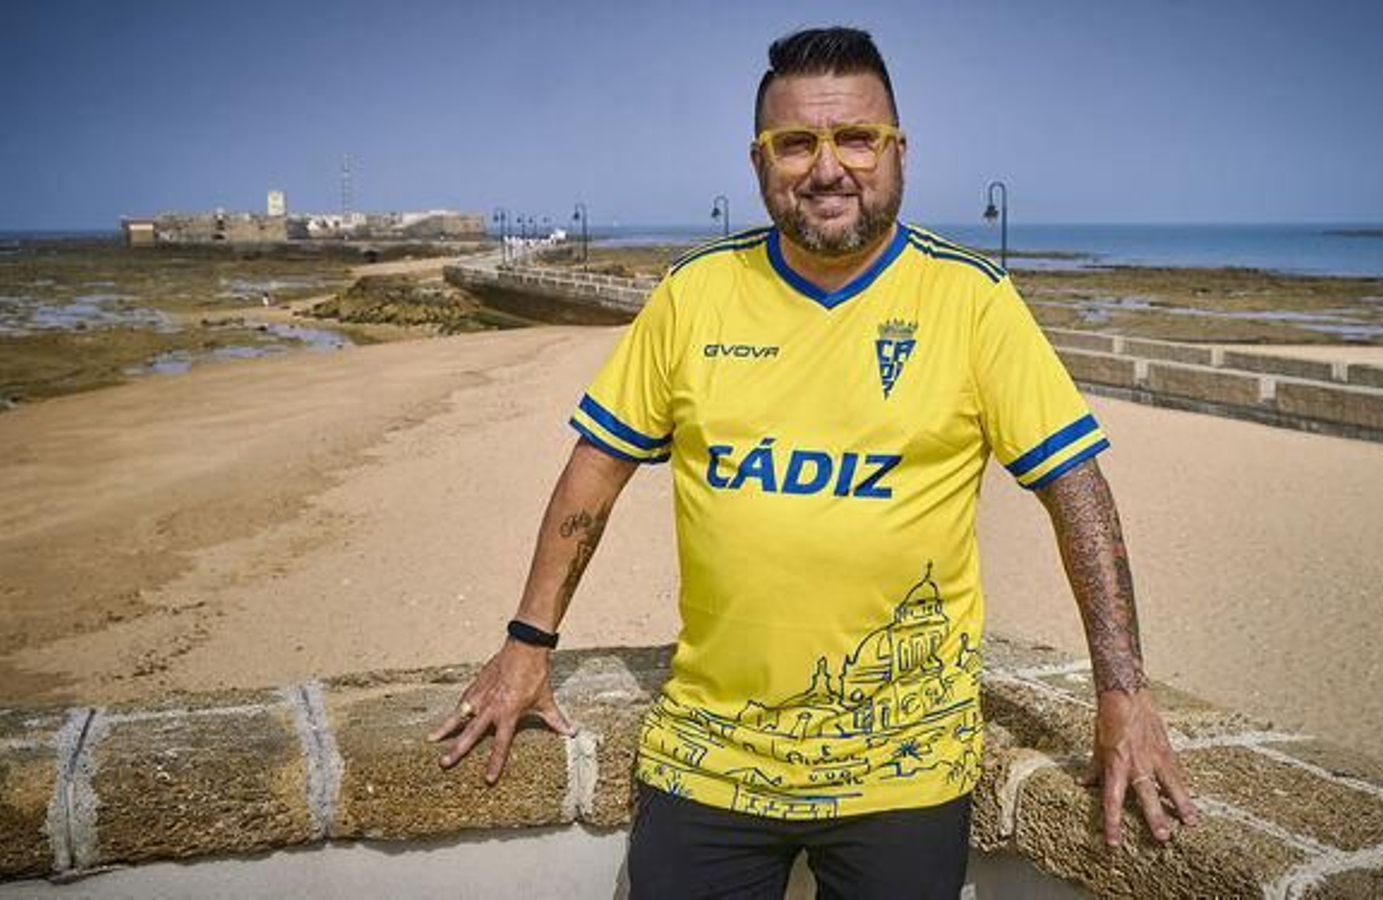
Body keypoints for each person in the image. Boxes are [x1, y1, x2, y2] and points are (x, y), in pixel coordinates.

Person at [430, 26, 1197, 897]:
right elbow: (595, 470)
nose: (828, 168)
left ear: (899, 150)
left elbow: (1075, 487)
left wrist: (1123, 694)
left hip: (907, 773)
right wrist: (527, 644)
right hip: (709, 756)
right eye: (796, 143)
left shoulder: (972, 300)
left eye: (857, 138)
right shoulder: (693, 294)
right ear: (759, 160)